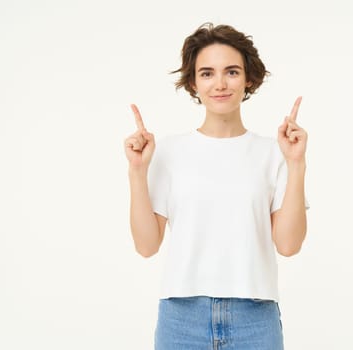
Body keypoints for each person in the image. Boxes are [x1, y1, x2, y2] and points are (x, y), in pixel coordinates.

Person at [124, 22, 309, 350]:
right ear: (193, 83)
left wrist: (296, 164)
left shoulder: (274, 153)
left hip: (255, 317)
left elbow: (288, 245)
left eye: (232, 72)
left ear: (248, 79)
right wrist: (137, 173)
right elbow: (146, 245)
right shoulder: (168, 152)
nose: (220, 83)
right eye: (207, 73)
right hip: (181, 317)